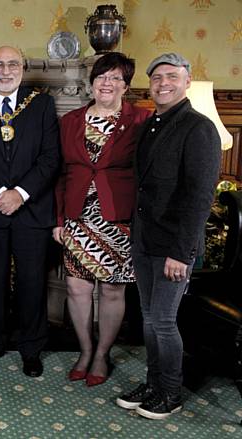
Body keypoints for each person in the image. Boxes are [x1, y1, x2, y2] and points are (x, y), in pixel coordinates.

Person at [116, 53, 221, 419]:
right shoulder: (150, 126)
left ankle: (171, 393)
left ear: (187, 80)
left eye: (172, 76)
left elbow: (199, 197)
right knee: (147, 317)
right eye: (157, 77)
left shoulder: (199, 128)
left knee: (162, 320)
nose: (163, 83)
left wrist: (182, 252)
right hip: (145, 241)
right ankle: (154, 383)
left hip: (174, 247)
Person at [0, 46, 60, 376]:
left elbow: (50, 158)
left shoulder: (42, 104)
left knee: (32, 281)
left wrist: (20, 193)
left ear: (23, 67)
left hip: (32, 211)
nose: (5, 70)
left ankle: (31, 349)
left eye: (12, 64)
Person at [54, 53, 150, 387]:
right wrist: (59, 219)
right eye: (101, 77)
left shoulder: (141, 120)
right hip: (78, 215)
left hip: (118, 217)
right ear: (91, 82)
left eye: (114, 78)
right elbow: (61, 173)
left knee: (112, 290)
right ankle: (84, 349)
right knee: (77, 287)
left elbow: (148, 173)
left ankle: (101, 354)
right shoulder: (70, 121)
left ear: (126, 85)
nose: (106, 83)